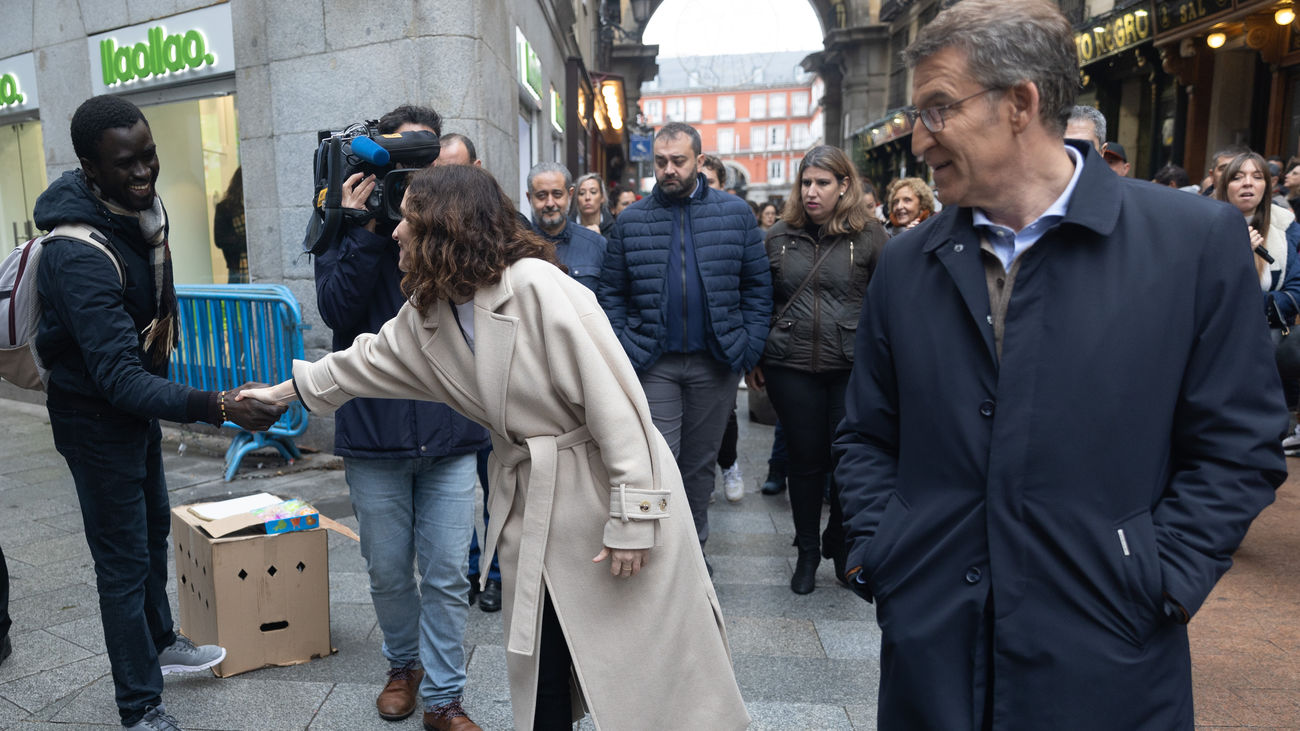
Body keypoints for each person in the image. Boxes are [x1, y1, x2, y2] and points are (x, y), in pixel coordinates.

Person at [834, 2, 1288, 727]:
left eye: (938, 109)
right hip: (935, 656)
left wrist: (1160, 576)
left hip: (1109, 662)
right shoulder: (907, 263)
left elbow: (1240, 445)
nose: (920, 139)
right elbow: (865, 433)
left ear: (1021, 103)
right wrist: (883, 554)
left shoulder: (1190, 243)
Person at [238, 164, 750, 731]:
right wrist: (281, 395)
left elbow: (619, 406)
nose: (396, 233)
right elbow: (360, 362)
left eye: (408, 221)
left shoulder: (537, 287)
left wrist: (634, 517)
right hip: (533, 498)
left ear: (443, 227)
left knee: (648, 668)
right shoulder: (430, 312)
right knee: (545, 653)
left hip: (605, 488)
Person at [34, 94, 285, 731]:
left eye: (150, 156)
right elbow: (117, 377)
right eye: (127, 165)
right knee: (120, 564)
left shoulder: (141, 214)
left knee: (150, 535)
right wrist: (219, 405)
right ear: (91, 169)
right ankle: (140, 706)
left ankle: (162, 641)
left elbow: (149, 332)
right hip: (94, 422)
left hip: (132, 411)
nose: (144, 173)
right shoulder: (77, 254)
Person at [313, 104, 489, 730]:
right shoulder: (342, 216)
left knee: (445, 573)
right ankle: (402, 665)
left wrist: (439, 226)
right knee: (388, 572)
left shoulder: (457, 223)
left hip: (452, 428)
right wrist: (360, 229)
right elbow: (336, 310)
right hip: (374, 433)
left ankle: (445, 700)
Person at [598, 122, 772, 553]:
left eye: (678, 161)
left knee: (699, 466)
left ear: (699, 160)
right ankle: (659, 554)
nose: (669, 170)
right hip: (652, 361)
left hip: (715, 362)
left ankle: (693, 554)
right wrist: (624, 344)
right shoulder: (632, 220)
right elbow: (612, 292)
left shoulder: (734, 215)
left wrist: (747, 345)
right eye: (661, 162)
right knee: (658, 462)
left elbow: (757, 285)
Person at [745, 145, 884, 594]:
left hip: (850, 364)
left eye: (822, 183)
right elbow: (758, 298)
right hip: (790, 362)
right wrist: (757, 355)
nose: (811, 191)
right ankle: (807, 553)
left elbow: (887, 303)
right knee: (804, 462)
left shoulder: (871, 237)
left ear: (845, 186)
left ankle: (841, 544)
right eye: (806, 182)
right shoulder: (779, 235)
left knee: (847, 462)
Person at [434, 132, 502, 614]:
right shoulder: (427, 240)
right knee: (458, 496)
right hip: (456, 392)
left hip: (500, 393)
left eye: (457, 170)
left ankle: (496, 573)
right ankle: (472, 568)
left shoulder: (503, 230)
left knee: (496, 483)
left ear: (477, 168)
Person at [526, 162, 607, 292]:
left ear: (570, 195)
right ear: (529, 198)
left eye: (557, 194)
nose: (550, 203)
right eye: (541, 196)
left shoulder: (596, 245)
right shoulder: (517, 247)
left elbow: (609, 300)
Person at [212, 167, 246, 283]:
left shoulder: (258, 208)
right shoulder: (225, 208)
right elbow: (220, 240)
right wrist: (246, 241)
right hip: (236, 269)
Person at [572, 172, 615, 238]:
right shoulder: (567, 228)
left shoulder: (613, 228)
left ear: (602, 197)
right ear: (576, 198)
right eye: (582, 193)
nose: (587, 197)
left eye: (593, 192)